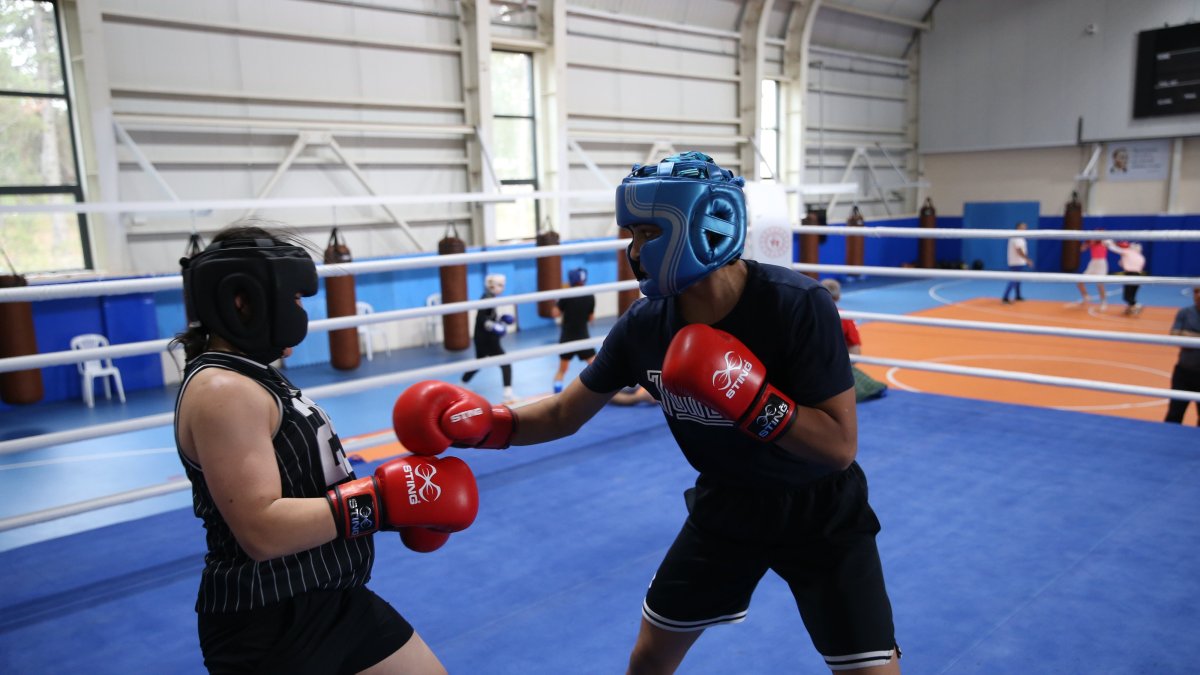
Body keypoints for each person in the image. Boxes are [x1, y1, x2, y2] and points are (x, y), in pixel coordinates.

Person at [393, 152, 901, 674]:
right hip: (726, 507)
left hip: (821, 512)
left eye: (648, 234)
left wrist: (751, 399)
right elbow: (566, 412)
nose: (634, 252)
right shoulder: (645, 326)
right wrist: (488, 426)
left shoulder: (797, 304)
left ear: (705, 227)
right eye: (629, 235)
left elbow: (839, 448)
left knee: (870, 669)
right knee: (651, 656)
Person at [173, 223, 479, 674]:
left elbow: (305, 487)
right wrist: (383, 501)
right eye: (294, 299)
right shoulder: (223, 389)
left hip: (329, 593)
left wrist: (393, 511)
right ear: (242, 299)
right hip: (269, 621)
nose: (301, 311)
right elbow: (262, 531)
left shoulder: (254, 374)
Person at [821, 278, 888, 402]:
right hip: (833, 367)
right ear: (839, 297)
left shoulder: (803, 312)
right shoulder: (845, 317)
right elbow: (855, 352)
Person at [461, 273, 516, 402]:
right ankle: (508, 394)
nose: (502, 288)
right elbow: (482, 319)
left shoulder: (489, 297)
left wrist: (500, 320)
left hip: (481, 338)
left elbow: (487, 317)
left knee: (479, 362)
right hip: (487, 339)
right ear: (493, 286)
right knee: (505, 363)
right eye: (501, 285)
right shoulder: (487, 298)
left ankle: (461, 383)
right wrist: (494, 326)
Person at [551, 267, 596, 394]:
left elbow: (555, 314)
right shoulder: (589, 295)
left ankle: (557, 394)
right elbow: (591, 318)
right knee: (597, 366)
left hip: (567, 338)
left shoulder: (567, 295)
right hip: (583, 337)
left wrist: (556, 302)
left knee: (562, 370)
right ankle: (605, 390)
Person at [1164, 286, 1200, 425]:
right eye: (1196, 291)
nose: (1198, 295)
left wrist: (1188, 336)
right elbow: (1175, 337)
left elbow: (1182, 336)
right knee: (1174, 414)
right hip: (1183, 373)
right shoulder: (1184, 313)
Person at [1106, 240, 1147, 315]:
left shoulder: (1128, 252)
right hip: (1138, 276)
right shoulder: (1141, 257)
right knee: (1132, 294)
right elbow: (1122, 263)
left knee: (1127, 296)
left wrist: (1109, 243)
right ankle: (1130, 309)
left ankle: (1137, 305)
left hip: (1130, 275)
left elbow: (1114, 250)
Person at [1070, 236, 1109, 310]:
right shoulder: (1091, 241)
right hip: (1093, 263)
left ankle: (1103, 302)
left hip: (1101, 263)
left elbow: (1111, 245)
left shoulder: (1105, 242)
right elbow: (1081, 249)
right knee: (1080, 282)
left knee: (1100, 284)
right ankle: (1086, 297)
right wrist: (1087, 243)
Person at [1001, 222, 1032, 304]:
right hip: (1016, 262)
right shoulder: (1016, 237)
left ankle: (1018, 296)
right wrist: (1027, 260)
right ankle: (1005, 297)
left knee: (1018, 280)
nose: (1025, 229)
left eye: (1025, 227)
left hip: (1019, 262)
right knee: (1014, 280)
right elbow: (1019, 250)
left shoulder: (1020, 237)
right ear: (1018, 227)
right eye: (1023, 227)